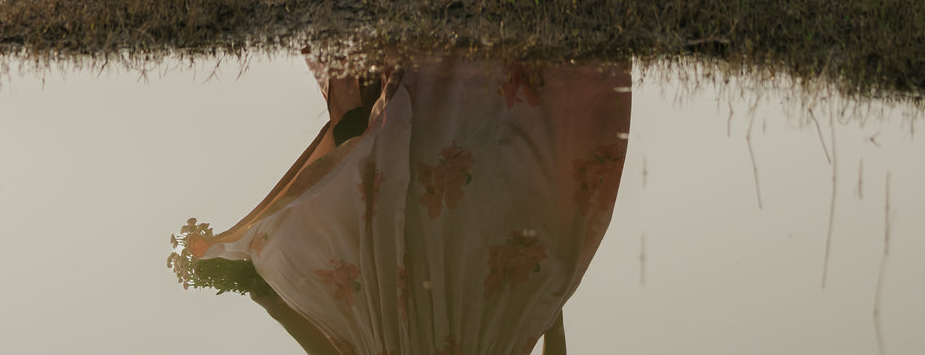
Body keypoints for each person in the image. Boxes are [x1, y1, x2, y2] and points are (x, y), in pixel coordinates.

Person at [171, 52, 633, 355]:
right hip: (453, 310)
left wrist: (551, 303)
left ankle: (422, 72)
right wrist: (550, 301)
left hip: (428, 312)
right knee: (432, 165)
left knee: (425, 163)